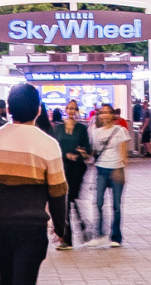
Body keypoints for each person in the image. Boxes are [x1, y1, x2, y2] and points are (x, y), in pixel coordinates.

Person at [0, 83, 70, 285]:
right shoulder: (49, 145)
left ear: (8, 109)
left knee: (5, 278)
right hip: (33, 227)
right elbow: (58, 192)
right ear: (38, 110)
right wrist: (60, 227)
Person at [87, 103, 132, 246]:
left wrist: (122, 168)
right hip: (101, 169)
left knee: (116, 206)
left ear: (112, 114)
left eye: (107, 112)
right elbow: (94, 151)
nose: (105, 115)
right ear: (99, 115)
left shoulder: (120, 130)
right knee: (98, 202)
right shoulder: (95, 132)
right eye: (102, 112)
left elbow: (124, 152)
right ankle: (100, 233)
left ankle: (116, 237)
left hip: (116, 169)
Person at [52, 100, 92, 248]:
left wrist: (80, 154)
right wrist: (65, 155)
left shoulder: (81, 128)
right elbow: (55, 147)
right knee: (67, 200)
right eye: (69, 108)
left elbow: (87, 149)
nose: (70, 110)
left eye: (73, 108)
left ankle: (69, 235)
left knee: (70, 199)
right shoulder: (58, 128)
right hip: (62, 167)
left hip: (77, 169)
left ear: (76, 110)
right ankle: (71, 233)